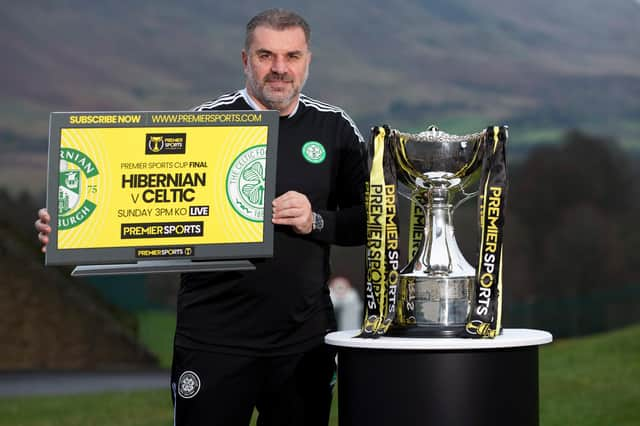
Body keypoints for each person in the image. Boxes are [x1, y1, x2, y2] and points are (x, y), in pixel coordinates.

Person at [36, 8, 367, 426]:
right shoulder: (205, 125)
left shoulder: (335, 129)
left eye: (292, 56)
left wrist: (316, 221)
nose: (280, 68)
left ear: (308, 60)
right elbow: (139, 200)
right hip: (213, 343)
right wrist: (71, 227)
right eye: (266, 55)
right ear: (245, 60)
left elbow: (373, 222)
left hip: (302, 343)